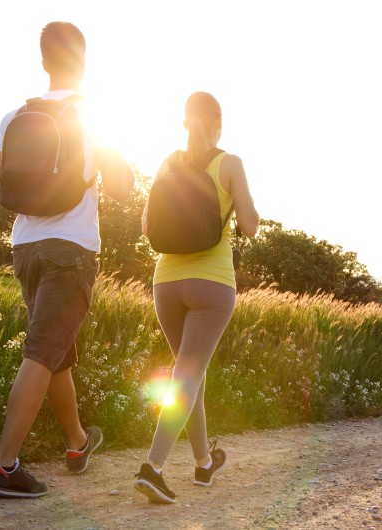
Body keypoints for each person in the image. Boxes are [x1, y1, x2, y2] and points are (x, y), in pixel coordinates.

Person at [0, 21, 135, 498]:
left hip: (25, 247)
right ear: (83, 64)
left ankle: (76, 443)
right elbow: (123, 189)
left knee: (55, 354)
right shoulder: (93, 118)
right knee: (43, 353)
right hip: (72, 249)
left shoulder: (14, 116)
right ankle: (4, 466)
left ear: (44, 63)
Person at [135, 91, 260, 503]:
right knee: (186, 377)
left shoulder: (168, 162)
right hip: (211, 284)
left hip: (166, 282)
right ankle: (152, 467)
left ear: (186, 122)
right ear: (218, 123)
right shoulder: (231, 163)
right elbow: (251, 226)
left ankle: (205, 463)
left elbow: (147, 224)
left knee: (191, 377)